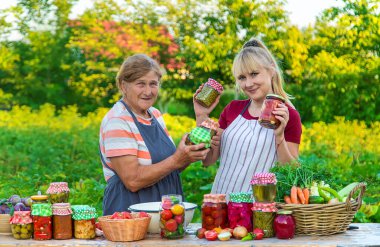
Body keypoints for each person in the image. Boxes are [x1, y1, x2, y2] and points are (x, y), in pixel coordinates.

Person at [99, 54, 209, 215]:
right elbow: (132, 180)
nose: (148, 91)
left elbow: (170, 167)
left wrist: (188, 154)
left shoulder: (155, 115)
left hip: (165, 212)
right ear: (123, 85)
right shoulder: (118, 121)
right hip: (130, 213)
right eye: (140, 84)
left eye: (153, 84)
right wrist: (176, 159)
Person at [194, 38, 302, 195]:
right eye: (242, 78)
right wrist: (202, 115)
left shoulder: (288, 115)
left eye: (254, 74)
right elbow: (208, 160)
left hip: (259, 208)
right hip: (222, 201)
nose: (248, 83)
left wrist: (279, 136)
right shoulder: (232, 109)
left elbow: (291, 171)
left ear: (271, 71)